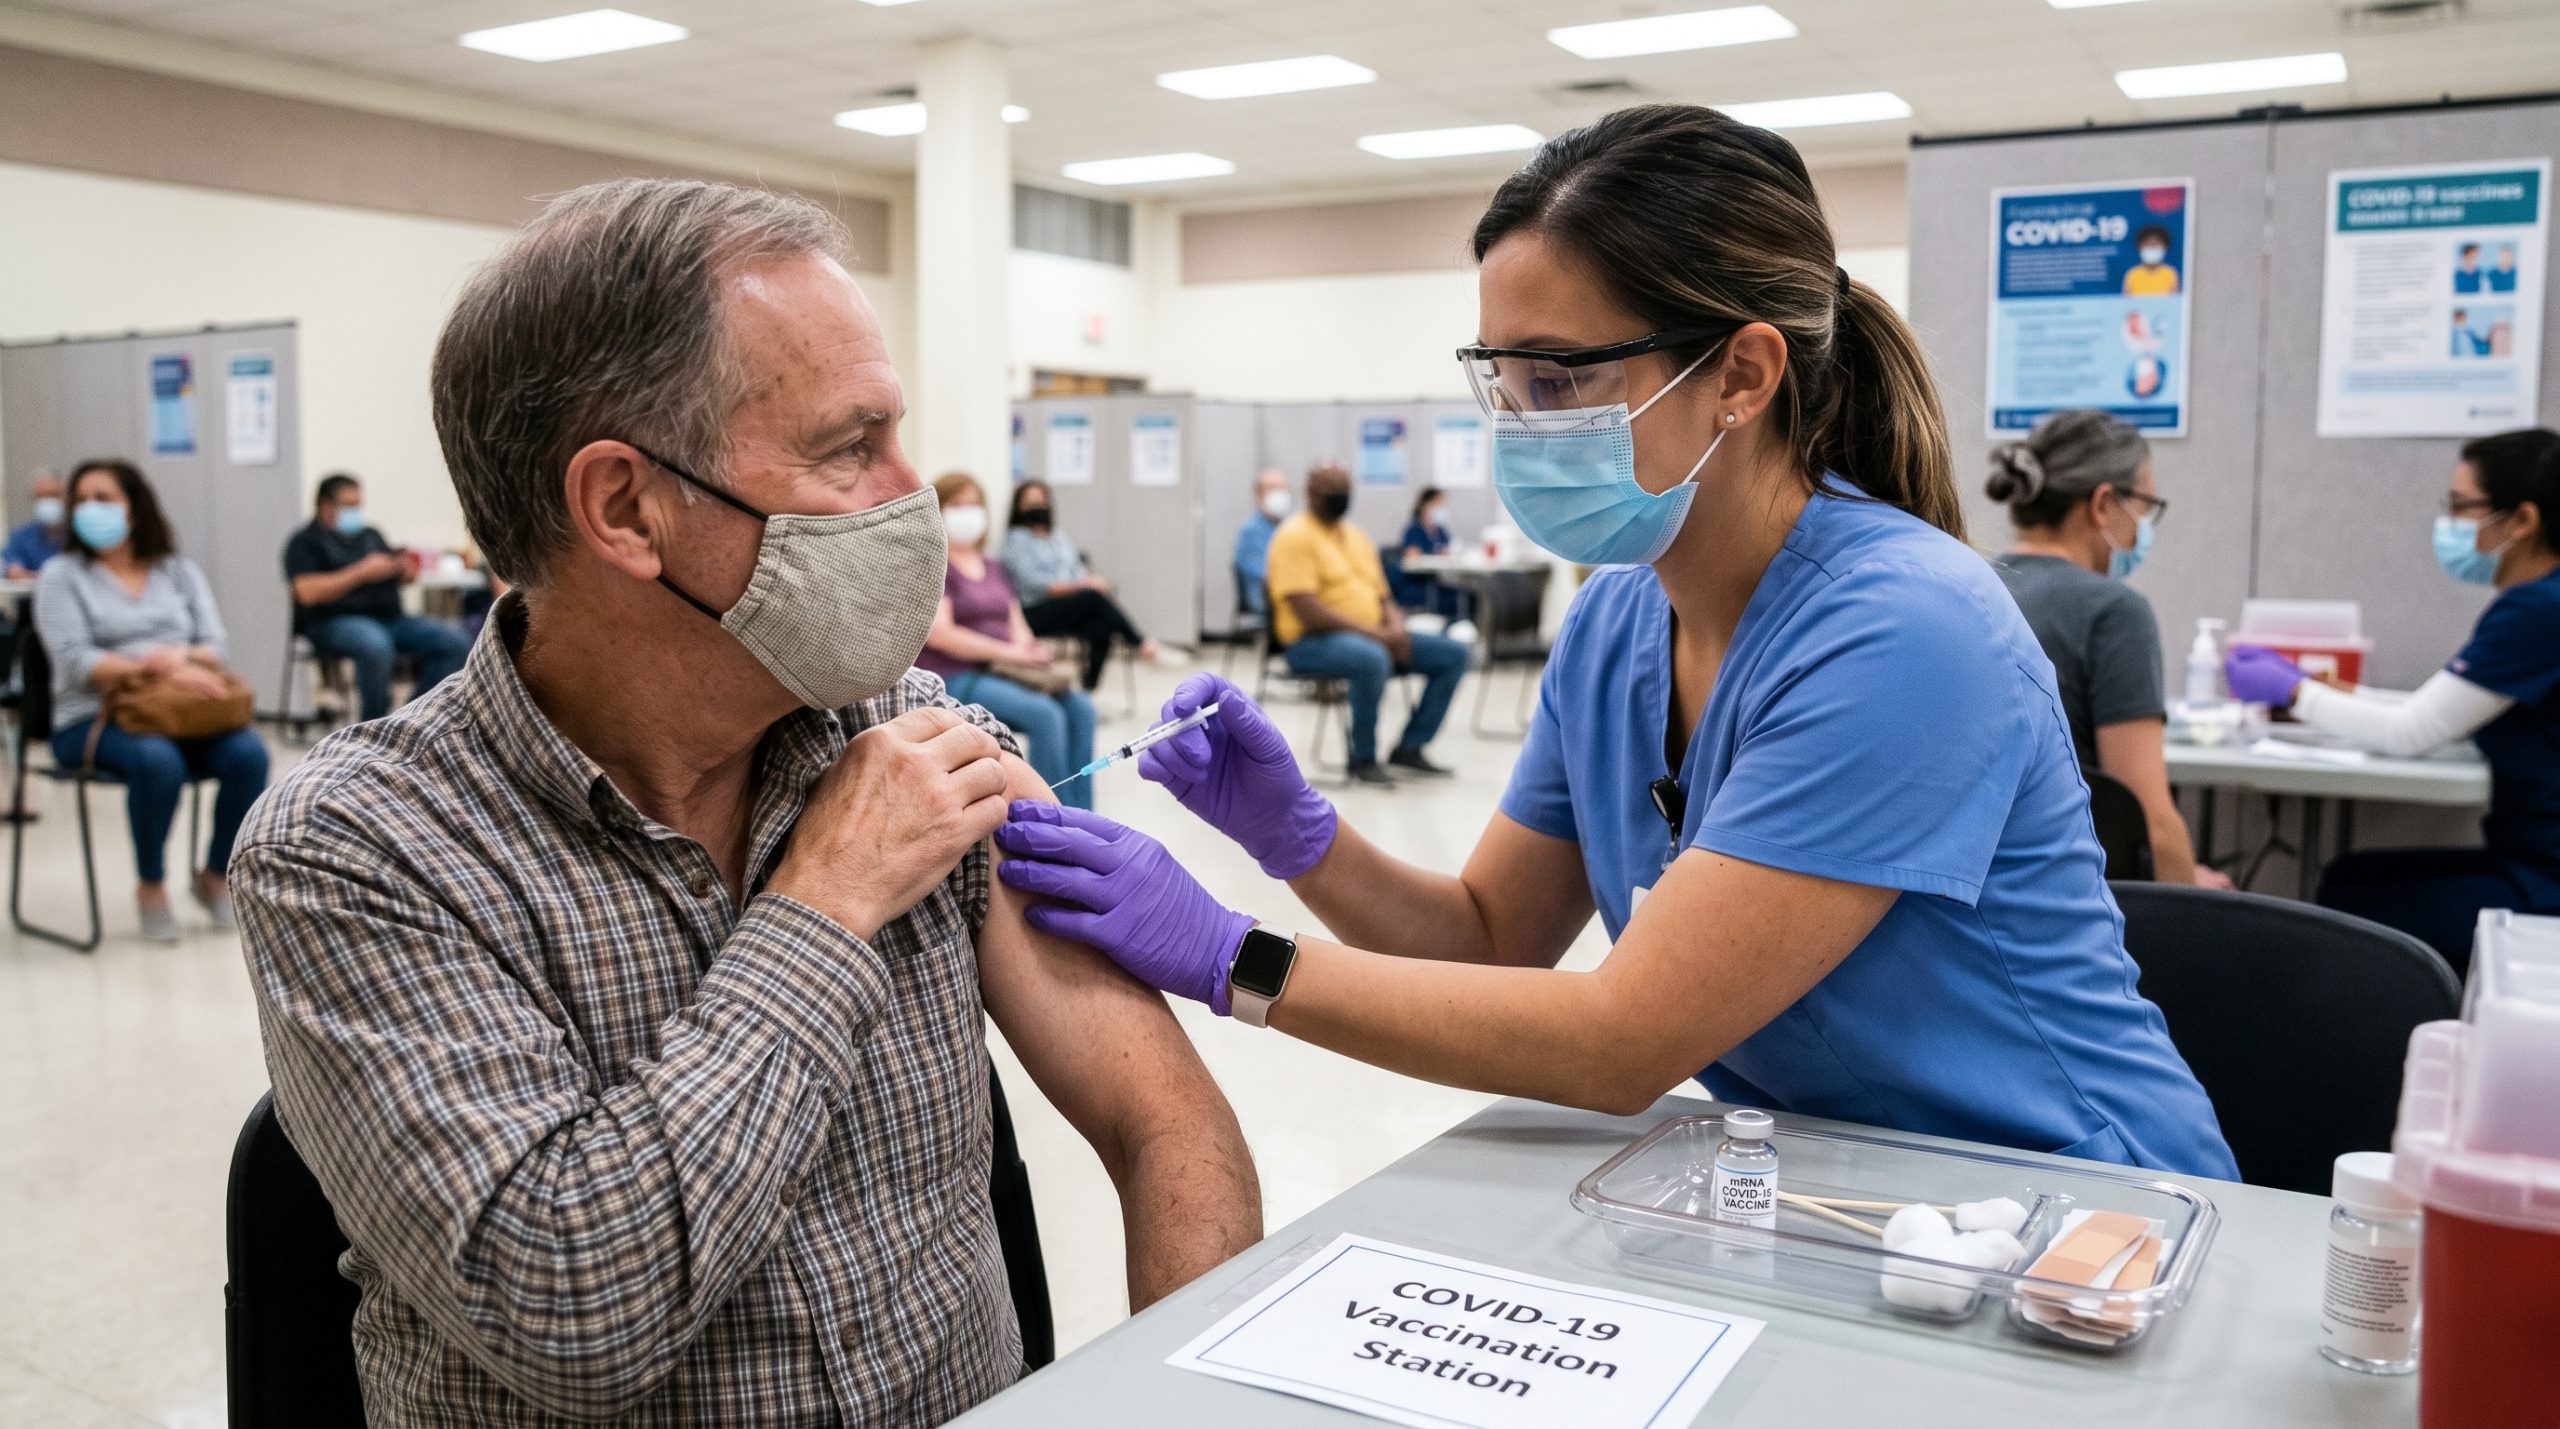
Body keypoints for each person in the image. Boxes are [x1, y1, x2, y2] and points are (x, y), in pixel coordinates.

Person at [992, 105, 2236, 1178]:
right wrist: (1296, 836)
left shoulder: (1905, 630)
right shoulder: (1618, 619)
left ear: (1742, 374)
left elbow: (1621, 1043)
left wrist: (1233, 956)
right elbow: (1486, 935)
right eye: (1503, 380)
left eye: (1561, 379)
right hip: (1843, 1199)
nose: (1523, 427)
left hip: (2079, 1210)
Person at [232, 179, 1257, 1426]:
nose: (911, 494)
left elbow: (1170, 1131)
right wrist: (822, 905)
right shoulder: (359, 850)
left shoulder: (917, 744)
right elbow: (579, 1317)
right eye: (848, 447)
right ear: (627, 508)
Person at [2228, 427, 2560, 977]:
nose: (2450, 524)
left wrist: (2294, 689)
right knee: (2348, 877)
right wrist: (2343, 694)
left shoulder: (2535, 612)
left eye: (2462, 508)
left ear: (2522, 521)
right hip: (2531, 862)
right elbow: (2451, 709)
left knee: (2348, 903)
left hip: (2542, 885)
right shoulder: (2541, 602)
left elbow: (2414, 730)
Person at [1989, 410, 2227, 889]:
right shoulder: (2114, 613)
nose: (2142, 528)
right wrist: (2198, 899)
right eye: (2142, 506)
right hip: (2081, 899)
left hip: (1980, 892)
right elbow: (2150, 825)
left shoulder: (1973, 586)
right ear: (2102, 504)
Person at [34, 458, 269, 942]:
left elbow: (214, 647)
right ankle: (151, 886)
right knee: (157, 761)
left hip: (179, 713)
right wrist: (159, 664)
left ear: (134, 509)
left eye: (104, 499)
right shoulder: (61, 575)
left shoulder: (177, 571)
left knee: (248, 754)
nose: (89, 509)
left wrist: (180, 657)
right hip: (92, 719)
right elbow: (78, 661)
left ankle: (211, 876)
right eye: (80, 500)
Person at [1267, 461, 1470, 786]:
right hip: (1310, 642)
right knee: (1371, 659)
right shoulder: (1293, 536)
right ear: (1310, 493)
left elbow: (1383, 595)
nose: (1339, 496)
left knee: (1454, 655)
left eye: (1343, 489)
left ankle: (1410, 747)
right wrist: (1378, 636)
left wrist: (1396, 628)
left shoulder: (1356, 536)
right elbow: (1307, 609)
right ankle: (1363, 758)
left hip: (1375, 635)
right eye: (1331, 489)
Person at [927, 473, 1100, 810]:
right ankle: (1055, 823)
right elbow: (942, 634)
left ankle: (1083, 818)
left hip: (1005, 672)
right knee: (1046, 715)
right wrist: (1008, 652)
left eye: (974, 505)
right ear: (938, 511)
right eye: (957, 505)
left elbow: (1016, 620)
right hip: (957, 676)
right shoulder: (937, 566)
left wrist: (1029, 648)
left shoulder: (993, 567)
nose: (968, 513)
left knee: (1081, 710)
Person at [284, 472, 471, 721]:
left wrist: (403, 569)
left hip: (390, 619)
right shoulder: (305, 542)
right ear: (325, 505)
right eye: (348, 506)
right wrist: (360, 573)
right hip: (332, 623)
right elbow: (306, 593)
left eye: (358, 505)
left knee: (453, 640)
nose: (356, 512)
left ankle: (411, 718)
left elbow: (402, 576)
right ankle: (372, 726)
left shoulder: (370, 535)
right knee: (375, 644)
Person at [997, 477, 1164, 691]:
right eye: (1030, 503)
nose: (1037, 508)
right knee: (1093, 599)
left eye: (1041, 501)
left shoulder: (1058, 537)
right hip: (1034, 611)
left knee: (1102, 623)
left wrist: (1090, 581)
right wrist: (1083, 587)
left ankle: (1088, 689)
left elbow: (1077, 569)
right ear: (1018, 507)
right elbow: (1037, 585)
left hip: (1070, 608)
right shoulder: (1016, 540)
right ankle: (1139, 642)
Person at [1388, 485, 1472, 628]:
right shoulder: (1415, 529)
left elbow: (1448, 549)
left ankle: (1457, 633)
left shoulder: (1439, 530)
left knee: (1470, 597)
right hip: (1416, 585)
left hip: (1433, 582)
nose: (1443, 508)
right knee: (1459, 600)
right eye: (1439, 504)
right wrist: (1437, 553)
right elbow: (1412, 556)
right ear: (1426, 504)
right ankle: (1448, 634)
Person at [1233, 466, 1292, 621]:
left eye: (1283, 489)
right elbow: (1264, 578)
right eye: (1273, 489)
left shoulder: (1285, 528)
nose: (1279, 494)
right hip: (1262, 601)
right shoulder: (1252, 531)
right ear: (1258, 495)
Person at [5, 470, 66, 578]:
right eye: (41, 496)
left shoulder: (78, 534)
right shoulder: (22, 536)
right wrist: (12, 570)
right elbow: (9, 563)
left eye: (53, 495)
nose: (47, 501)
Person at [2122, 224, 2179, 296]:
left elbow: (2174, 302)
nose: (2152, 247)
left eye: (2156, 244)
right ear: (2139, 248)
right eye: (2147, 244)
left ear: (2165, 248)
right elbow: (2126, 303)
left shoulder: (2170, 273)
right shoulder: (2132, 274)